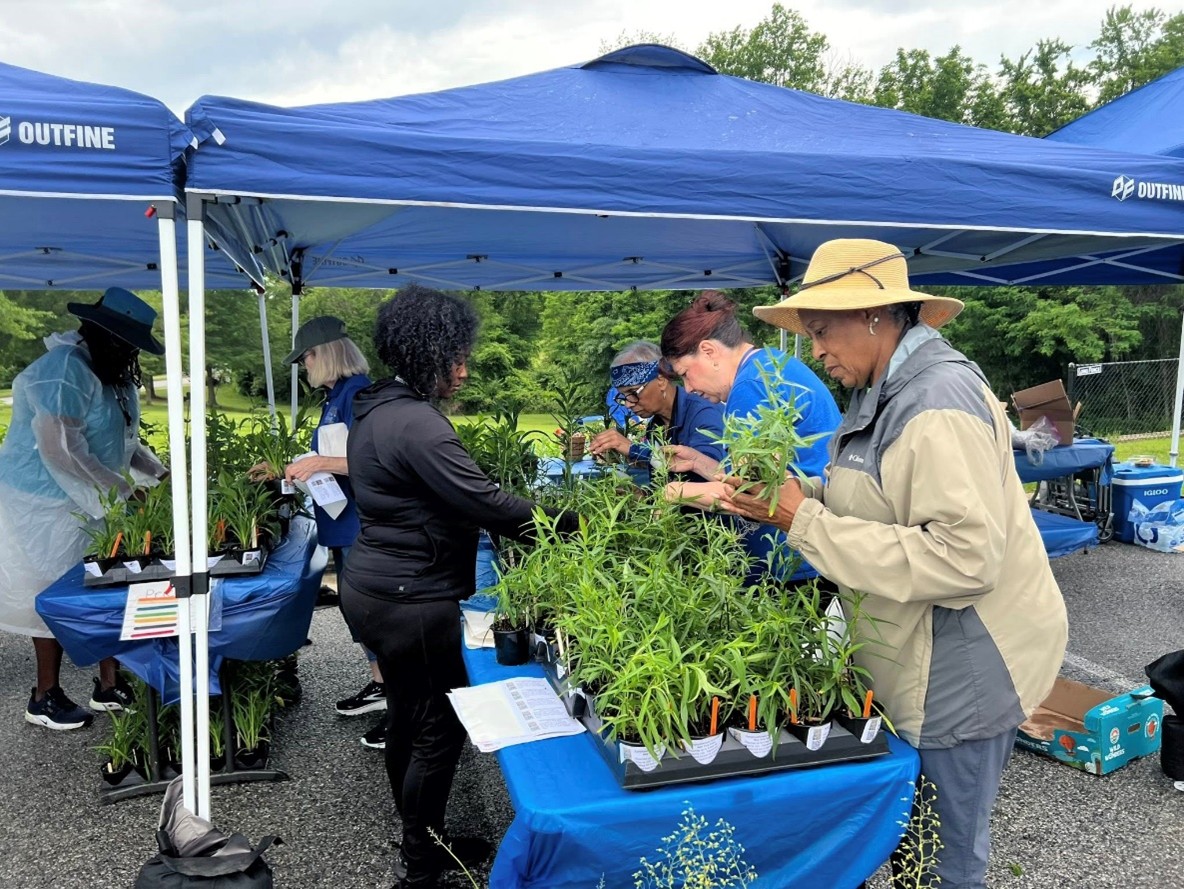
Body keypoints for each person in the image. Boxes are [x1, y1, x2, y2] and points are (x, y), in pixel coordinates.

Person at [722, 239, 1068, 888]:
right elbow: (876, 499)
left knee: (940, 861)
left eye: (821, 331)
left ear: (875, 316)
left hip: (962, 663)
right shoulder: (880, 388)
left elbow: (963, 559)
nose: (816, 351)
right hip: (914, 653)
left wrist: (803, 521)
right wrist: (794, 496)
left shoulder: (936, 400)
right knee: (912, 841)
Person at [340, 283, 577, 889]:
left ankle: (425, 839)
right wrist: (578, 524)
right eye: (457, 358)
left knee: (406, 714)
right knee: (437, 729)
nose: (465, 371)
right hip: (410, 598)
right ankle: (420, 868)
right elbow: (488, 502)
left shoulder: (376, 408)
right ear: (429, 353)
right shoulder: (416, 422)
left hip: (374, 586)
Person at [0, 287, 168, 729]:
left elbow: (123, 441)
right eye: (126, 343)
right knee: (51, 594)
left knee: (105, 585)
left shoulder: (112, 373)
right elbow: (61, 449)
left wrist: (160, 474)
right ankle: (44, 696)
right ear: (102, 333)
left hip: (91, 496)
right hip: (41, 503)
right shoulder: (63, 371)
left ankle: (108, 684)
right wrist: (123, 492)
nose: (131, 352)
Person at [659, 292, 841, 585]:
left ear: (708, 351)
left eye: (685, 374)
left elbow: (751, 497)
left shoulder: (749, 388)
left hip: (792, 561)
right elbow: (757, 475)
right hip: (818, 545)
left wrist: (674, 491)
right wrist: (698, 462)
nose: (688, 389)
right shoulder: (771, 364)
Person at [280, 316, 387, 750]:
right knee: (356, 611)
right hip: (344, 523)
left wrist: (321, 463)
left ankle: (401, 706)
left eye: (305, 357)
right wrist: (285, 469)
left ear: (324, 354)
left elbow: (378, 460)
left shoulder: (359, 396)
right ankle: (381, 685)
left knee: (374, 614)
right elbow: (327, 455)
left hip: (364, 524)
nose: (303, 366)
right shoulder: (335, 397)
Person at [587, 340, 724, 483]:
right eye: (623, 396)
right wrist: (638, 493)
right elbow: (664, 484)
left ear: (661, 381)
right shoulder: (655, 426)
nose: (628, 404)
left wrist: (633, 449)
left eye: (633, 392)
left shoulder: (704, 413)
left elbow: (711, 478)